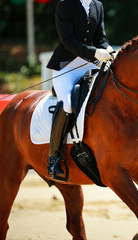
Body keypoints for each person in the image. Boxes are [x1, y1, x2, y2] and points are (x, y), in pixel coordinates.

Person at [46, 0, 114, 180]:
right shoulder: (65, 5)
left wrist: (106, 47)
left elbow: (100, 37)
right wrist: (95, 53)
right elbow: (67, 41)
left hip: (88, 64)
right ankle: (54, 158)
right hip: (66, 66)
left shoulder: (98, 5)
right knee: (67, 104)